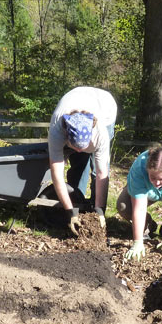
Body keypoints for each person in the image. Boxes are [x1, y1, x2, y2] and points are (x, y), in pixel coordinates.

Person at [46, 86, 118, 235]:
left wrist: (100, 209)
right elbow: (57, 175)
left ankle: (95, 210)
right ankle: (77, 205)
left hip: (105, 106)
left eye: (83, 146)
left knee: (95, 168)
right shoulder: (57, 130)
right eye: (75, 146)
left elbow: (101, 173)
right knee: (79, 162)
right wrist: (70, 211)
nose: (79, 150)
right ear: (66, 134)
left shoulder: (100, 134)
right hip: (75, 97)